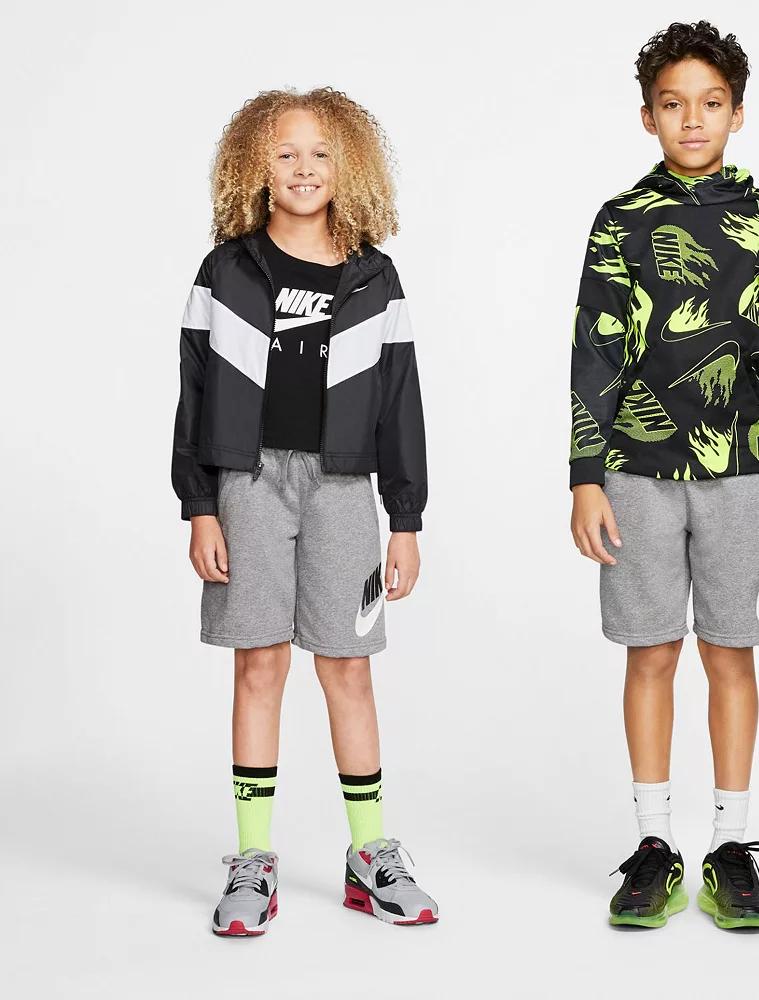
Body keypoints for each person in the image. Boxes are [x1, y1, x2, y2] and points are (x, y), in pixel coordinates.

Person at [172, 88, 438, 935]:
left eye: (320, 152)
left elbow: (400, 401)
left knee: (347, 667)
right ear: (256, 166)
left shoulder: (374, 277)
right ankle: (253, 860)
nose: (303, 168)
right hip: (247, 485)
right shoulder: (226, 272)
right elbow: (193, 394)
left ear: (347, 165)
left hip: (343, 490)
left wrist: (405, 519)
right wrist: (200, 505)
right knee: (258, 666)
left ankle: (370, 854)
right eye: (285, 153)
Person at [569, 22, 759, 930]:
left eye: (711, 103)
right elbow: (595, 350)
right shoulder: (620, 222)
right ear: (648, 117)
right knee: (651, 652)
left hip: (744, 476)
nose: (693, 119)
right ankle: (653, 844)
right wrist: (584, 474)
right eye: (673, 104)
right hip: (634, 471)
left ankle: (731, 847)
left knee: (729, 653)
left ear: (737, 113)